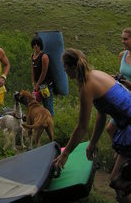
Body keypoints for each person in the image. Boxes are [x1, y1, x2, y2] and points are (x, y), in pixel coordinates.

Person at [53, 48, 131, 198]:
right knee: (122, 177)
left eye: (64, 67)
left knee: (118, 183)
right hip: (126, 124)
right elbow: (101, 115)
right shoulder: (97, 74)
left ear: (71, 68)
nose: (64, 70)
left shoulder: (86, 87)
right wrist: (92, 143)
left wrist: (66, 153)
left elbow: (82, 127)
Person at [106, 27, 131, 142]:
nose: (123, 41)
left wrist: (129, 84)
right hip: (122, 96)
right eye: (122, 39)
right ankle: (119, 151)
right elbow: (122, 74)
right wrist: (113, 78)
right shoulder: (123, 55)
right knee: (110, 129)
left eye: (125, 39)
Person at [30, 36, 54, 116]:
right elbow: (32, 70)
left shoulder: (44, 57)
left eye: (37, 44)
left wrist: (37, 85)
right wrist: (33, 83)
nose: (36, 46)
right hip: (38, 85)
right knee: (37, 106)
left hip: (46, 85)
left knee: (48, 107)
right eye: (34, 44)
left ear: (40, 45)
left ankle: (50, 124)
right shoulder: (32, 56)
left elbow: (44, 73)